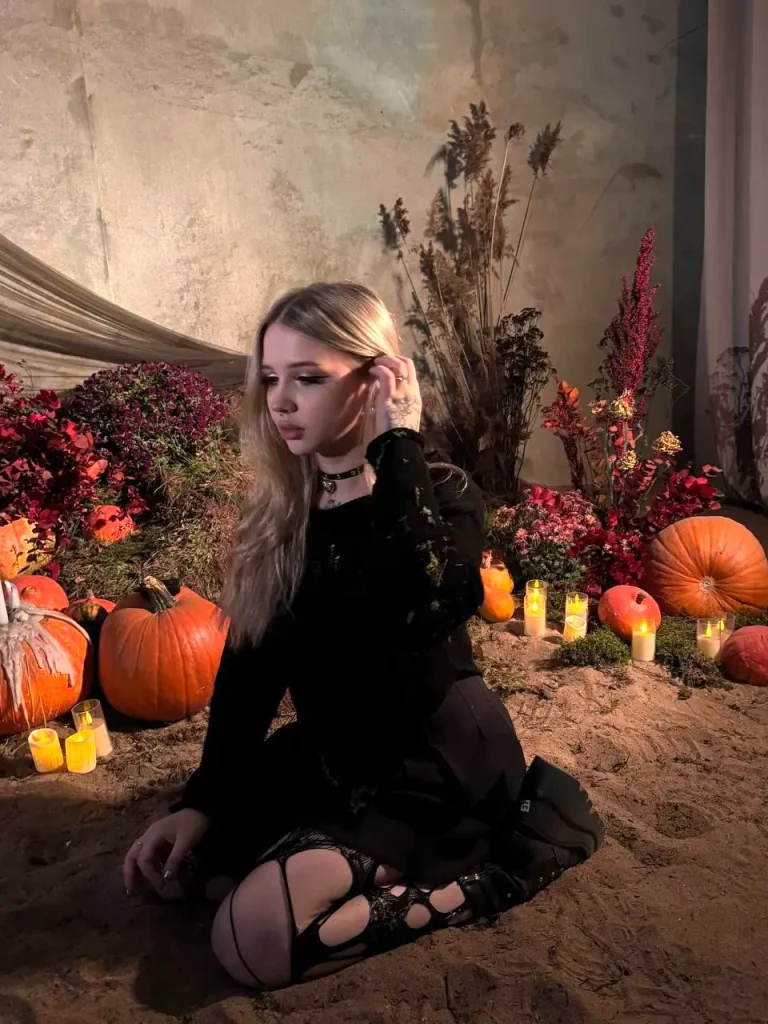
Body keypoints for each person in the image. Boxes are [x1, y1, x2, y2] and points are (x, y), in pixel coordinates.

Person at [123, 282, 604, 989]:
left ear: (378, 379)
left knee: (250, 941)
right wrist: (202, 800)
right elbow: (249, 676)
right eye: (271, 379)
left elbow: (433, 603)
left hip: (432, 765)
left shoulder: (439, 493)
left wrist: (396, 441)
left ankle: (497, 876)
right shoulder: (281, 515)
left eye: (309, 378)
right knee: (181, 870)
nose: (281, 401)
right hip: (334, 754)